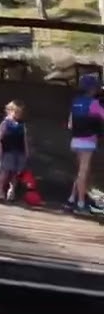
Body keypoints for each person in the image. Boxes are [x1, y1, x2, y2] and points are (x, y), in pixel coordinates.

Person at [67, 73, 104, 214]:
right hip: (88, 142)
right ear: (92, 89)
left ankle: (72, 199)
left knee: (80, 172)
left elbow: (70, 124)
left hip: (75, 140)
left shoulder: (75, 102)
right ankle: (81, 204)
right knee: (83, 173)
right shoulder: (94, 103)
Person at [0, 100, 29, 202]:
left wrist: (26, 151)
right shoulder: (5, 123)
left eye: (20, 112)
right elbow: (0, 138)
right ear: (9, 111)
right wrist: (0, 150)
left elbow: (24, 138)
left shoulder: (22, 125)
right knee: (4, 171)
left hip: (19, 150)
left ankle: (12, 191)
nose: (18, 114)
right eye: (16, 112)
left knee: (15, 173)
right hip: (8, 150)